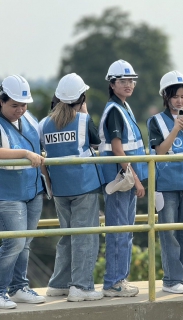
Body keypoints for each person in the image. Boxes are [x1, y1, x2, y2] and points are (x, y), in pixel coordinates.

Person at [40, 73, 104, 302]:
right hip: (84, 187)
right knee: (85, 237)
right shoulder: (84, 120)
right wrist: (85, 114)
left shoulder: (43, 124)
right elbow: (97, 142)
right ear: (82, 98)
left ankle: (58, 284)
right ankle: (81, 286)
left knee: (67, 236)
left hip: (59, 189)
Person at [147, 71, 183, 294]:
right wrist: (175, 129)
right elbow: (159, 152)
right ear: (166, 97)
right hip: (167, 184)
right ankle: (171, 280)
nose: (179, 101)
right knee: (169, 233)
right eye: (175, 96)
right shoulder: (155, 121)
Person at [98, 59, 148, 297]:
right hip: (121, 181)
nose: (129, 84)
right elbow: (118, 150)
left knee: (125, 232)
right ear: (112, 83)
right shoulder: (115, 111)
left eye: (131, 81)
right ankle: (113, 283)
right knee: (119, 232)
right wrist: (137, 180)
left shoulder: (123, 107)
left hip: (124, 180)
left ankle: (119, 279)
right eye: (123, 81)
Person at [0, 75, 46, 308]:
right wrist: (25, 154)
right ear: (1, 101)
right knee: (14, 242)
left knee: (25, 242)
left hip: (32, 190)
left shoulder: (30, 119)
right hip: (8, 194)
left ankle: (19, 287)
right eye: (14, 105)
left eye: (23, 105)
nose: (20, 110)